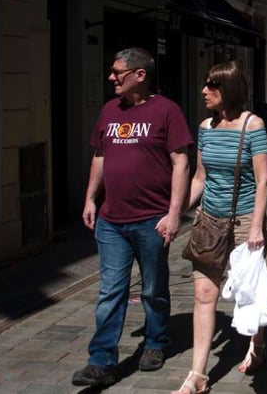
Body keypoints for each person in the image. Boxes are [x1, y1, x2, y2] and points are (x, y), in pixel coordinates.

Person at [72, 48, 193, 388]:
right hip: (112, 220)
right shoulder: (110, 110)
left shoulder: (167, 110)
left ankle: (155, 342)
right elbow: (100, 155)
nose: (111, 78)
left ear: (140, 75)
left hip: (152, 219)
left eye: (118, 72)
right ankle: (101, 361)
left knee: (153, 287)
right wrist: (90, 198)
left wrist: (174, 214)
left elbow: (181, 163)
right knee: (110, 290)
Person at [171, 62, 267, 394]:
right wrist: (177, 212)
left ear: (227, 89)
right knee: (203, 294)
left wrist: (256, 226)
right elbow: (201, 176)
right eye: (204, 85)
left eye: (211, 85)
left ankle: (257, 345)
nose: (203, 91)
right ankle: (197, 375)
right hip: (209, 222)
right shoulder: (205, 126)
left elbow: (263, 181)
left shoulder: (252, 125)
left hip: (244, 223)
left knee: (247, 293)